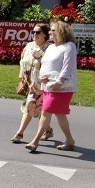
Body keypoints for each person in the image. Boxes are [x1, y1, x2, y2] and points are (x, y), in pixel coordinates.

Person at [25, 20, 78, 153]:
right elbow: (46, 65)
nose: (50, 32)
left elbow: (67, 67)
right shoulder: (51, 47)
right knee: (60, 115)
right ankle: (70, 141)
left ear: (61, 32)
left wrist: (59, 82)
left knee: (46, 111)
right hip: (48, 86)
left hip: (62, 87)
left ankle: (35, 141)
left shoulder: (69, 46)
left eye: (53, 30)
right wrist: (42, 79)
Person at [11, 23, 52, 144]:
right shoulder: (29, 46)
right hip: (29, 83)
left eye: (38, 32)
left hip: (41, 84)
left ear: (45, 34)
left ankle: (20, 133)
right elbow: (22, 61)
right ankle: (47, 130)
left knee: (30, 105)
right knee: (39, 108)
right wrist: (22, 77)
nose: (34, 34)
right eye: (33, 32)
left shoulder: (49, 49)